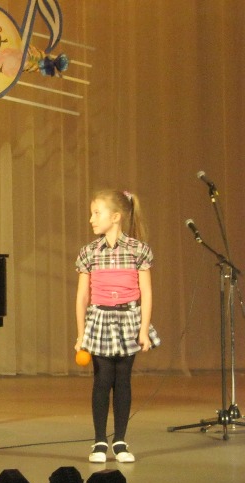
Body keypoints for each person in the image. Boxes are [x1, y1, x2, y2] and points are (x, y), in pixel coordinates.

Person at [74, 189, 160, 463]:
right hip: (100, 320)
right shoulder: (89, 252)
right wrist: (81, 334)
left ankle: (120, 441)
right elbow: (83, 297)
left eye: (96, 213)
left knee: (123, 380)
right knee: (102, 380)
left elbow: (146, 293)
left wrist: (143, 330)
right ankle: (100, 441)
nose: (91, 219)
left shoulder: (138, 250)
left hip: (128, 320)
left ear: (115, 217)